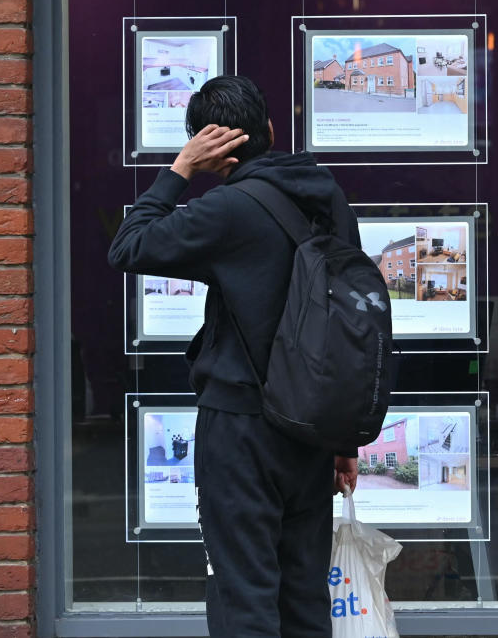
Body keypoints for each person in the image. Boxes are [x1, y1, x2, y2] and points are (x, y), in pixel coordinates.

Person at [108, 75, 360, 637]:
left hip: (243, 429)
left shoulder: (226, 210)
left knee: (243, 594)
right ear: (270, 130)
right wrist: (343, 441)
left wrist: (179, 169)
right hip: (314, 427)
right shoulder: (325, 196)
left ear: (209, 144)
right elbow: (346, 324)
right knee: (304, 596)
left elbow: (128, 245)